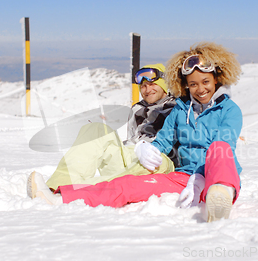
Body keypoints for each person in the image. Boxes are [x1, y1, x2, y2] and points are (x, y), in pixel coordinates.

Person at [29, 42, 243, 222]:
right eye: (193, 84)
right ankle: (62, 195)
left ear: (217, 79)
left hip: (216, 172)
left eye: (206, 81)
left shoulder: (229, 110)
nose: (201, 89)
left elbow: (225, 149)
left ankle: (221, 194)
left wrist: (201, 177)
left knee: (220, 147)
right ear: (186, 86)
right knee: (127, 185)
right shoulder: (179, 111)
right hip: (182, 177)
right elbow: (163, 141)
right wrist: (144, 149)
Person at [28, 64, 176, 198]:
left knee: (155, 162)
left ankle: (71, 192)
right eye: (143, 86)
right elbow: (133, 137)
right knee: (96, 129)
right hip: (133, 155)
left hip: (159, 160)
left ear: (163, 84)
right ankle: (56, 186)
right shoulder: (137, 109)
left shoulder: (177, 107)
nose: (147, 89)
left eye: (152, 84)